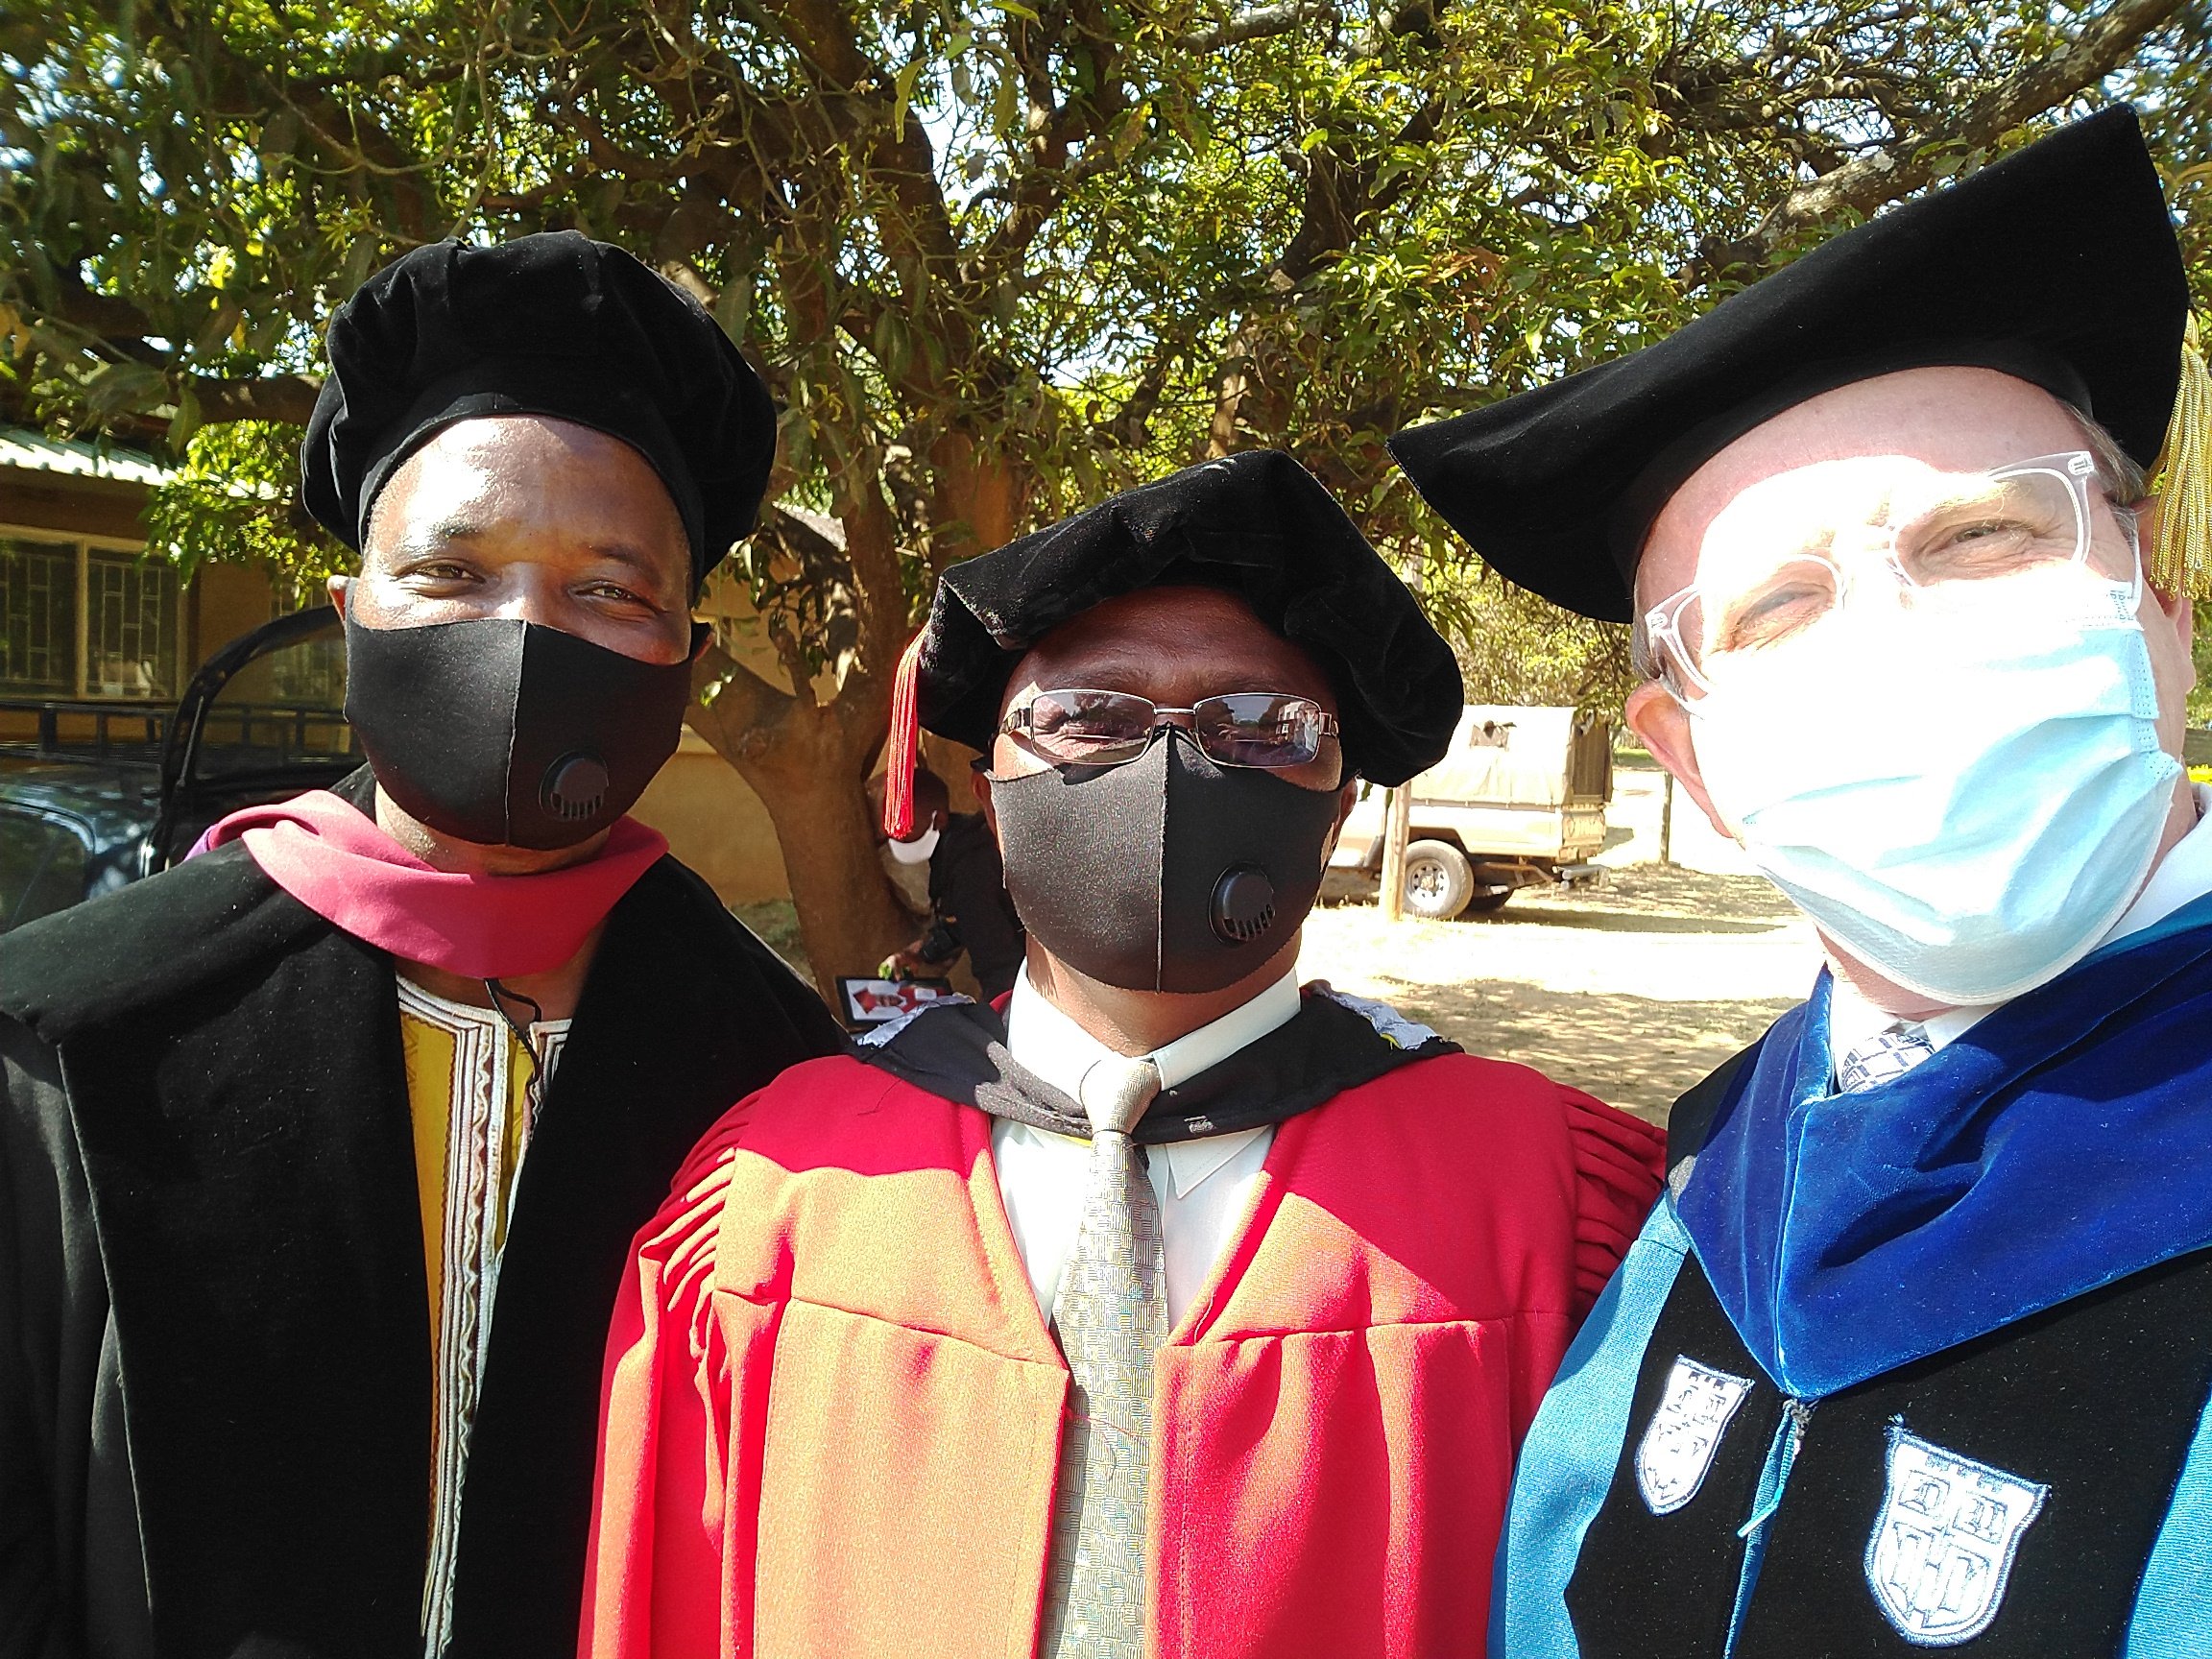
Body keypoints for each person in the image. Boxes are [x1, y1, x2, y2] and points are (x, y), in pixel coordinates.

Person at [578, 449, 1666, 1658]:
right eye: (1084, 718)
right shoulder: (784, 1184)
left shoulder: (1545, 1197)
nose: (1166, 772)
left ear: (1340, 805)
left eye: (1259, 726)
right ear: (994, 791)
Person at [1389, 107, 2212, 1656]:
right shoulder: (1714, 1183)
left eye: (1976, 533)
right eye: (1774, 606)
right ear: (1687, 758)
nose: (1888, 645)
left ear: (2153, 584)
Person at [0, 232, 847, 1659]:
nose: (522, 633)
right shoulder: (75, 1042)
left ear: (687, 658)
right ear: (351, 621)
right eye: (450, 572)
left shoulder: (774, 1073)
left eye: (610, 591)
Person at [880, 765, 1028, 999]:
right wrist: (919, 954)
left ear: (937, 819)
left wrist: (1003, 1014)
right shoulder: (955, 847)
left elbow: (998, 962)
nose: (896, 836)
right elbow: (959, 922)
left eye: (905, 827)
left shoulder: (970, 868)